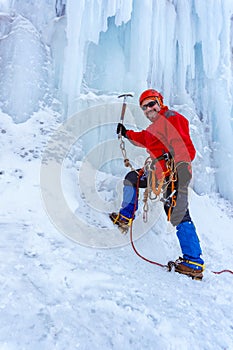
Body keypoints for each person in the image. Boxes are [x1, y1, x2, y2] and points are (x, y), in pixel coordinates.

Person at [110, 89, 204, 280]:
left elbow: (187, 147)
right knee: (132, 178)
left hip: (174, 173)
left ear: (160, 103)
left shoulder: (172, 118)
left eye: (152, 104)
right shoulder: (154, 129)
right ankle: (125, 217)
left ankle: (193, 261)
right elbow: (142, 138)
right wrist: (126, 133)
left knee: (178, 213)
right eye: (144, 107)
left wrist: (178, 161)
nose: (148, 109)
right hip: (157, 173)